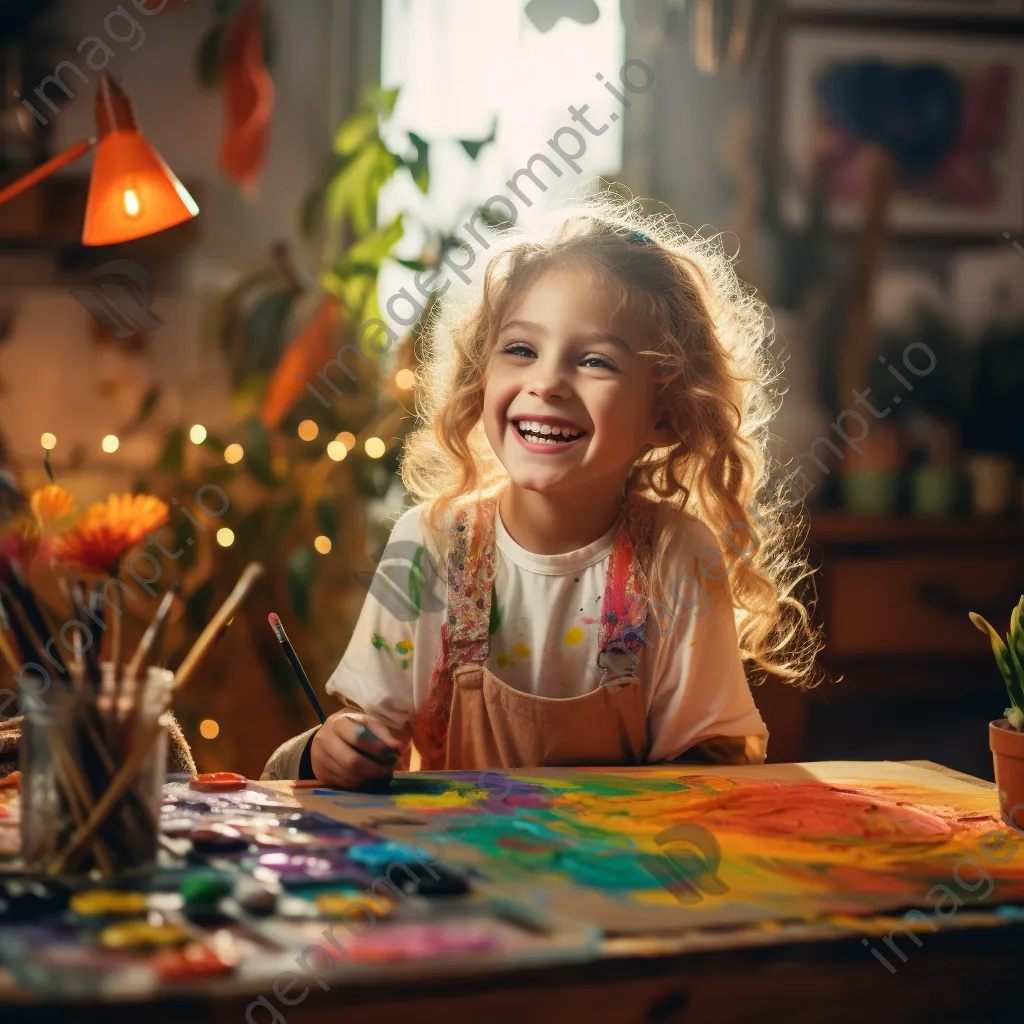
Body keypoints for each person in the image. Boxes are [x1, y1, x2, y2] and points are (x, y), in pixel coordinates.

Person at [262, 196, 819, 787]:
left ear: (666, 414)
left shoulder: (678, 558)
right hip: (457, 868)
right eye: (521, 350)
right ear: (482, 379)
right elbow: (360, 740)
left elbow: (714, 770)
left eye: (596, 361)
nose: (547, 382)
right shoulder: (427, 547)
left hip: (617, 872)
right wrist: (330, 751)